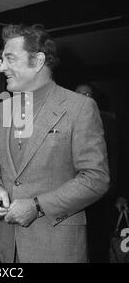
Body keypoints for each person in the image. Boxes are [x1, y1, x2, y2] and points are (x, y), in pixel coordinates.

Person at [0, 24, 109, 263]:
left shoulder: (79, 108)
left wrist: (37, 206)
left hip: (57, 249)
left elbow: (96, 178)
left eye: (10, 59)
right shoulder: (1, 110)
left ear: (38, 60)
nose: (1, 68)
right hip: (9, 250)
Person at [75, 83, 119, 263]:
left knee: (99, 238)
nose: (82, 97)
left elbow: (117, 156)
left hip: (102, 192)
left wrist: (120, 193)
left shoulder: (108, 120)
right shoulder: (65, 118)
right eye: (78, 94)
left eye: (87, 94)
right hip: (74, 192)